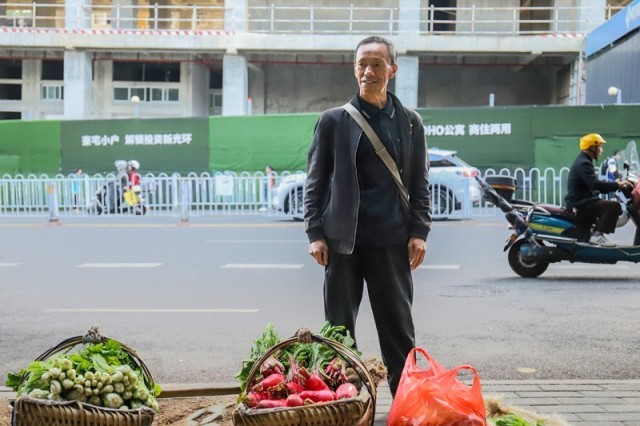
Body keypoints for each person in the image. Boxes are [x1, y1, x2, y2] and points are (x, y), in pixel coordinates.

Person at [304, 36, 431, 397]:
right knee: (339, 333)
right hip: (343, 244)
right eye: (362, 63)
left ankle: (406, 405)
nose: (368, 71)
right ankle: (344, 406)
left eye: (377, 63)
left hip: (391, 241)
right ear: (354, 68)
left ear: (392, 69)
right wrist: (315, 233)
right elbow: (314, 182)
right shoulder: (332, 122)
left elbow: (420, 182)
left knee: (399, 332)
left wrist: (419, 231)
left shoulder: (409, 122)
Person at [565, 133, 631, 247]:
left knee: (606, 205)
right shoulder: (584, 163)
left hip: (581, 200)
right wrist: (617, 185)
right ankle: (597, 236)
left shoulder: (583, 161)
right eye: (599, 147)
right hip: (580, 203)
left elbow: (590, 185)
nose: (601, 150)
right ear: (592, 148)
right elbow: (595, 184)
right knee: (613, 206)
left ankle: (594, 234)